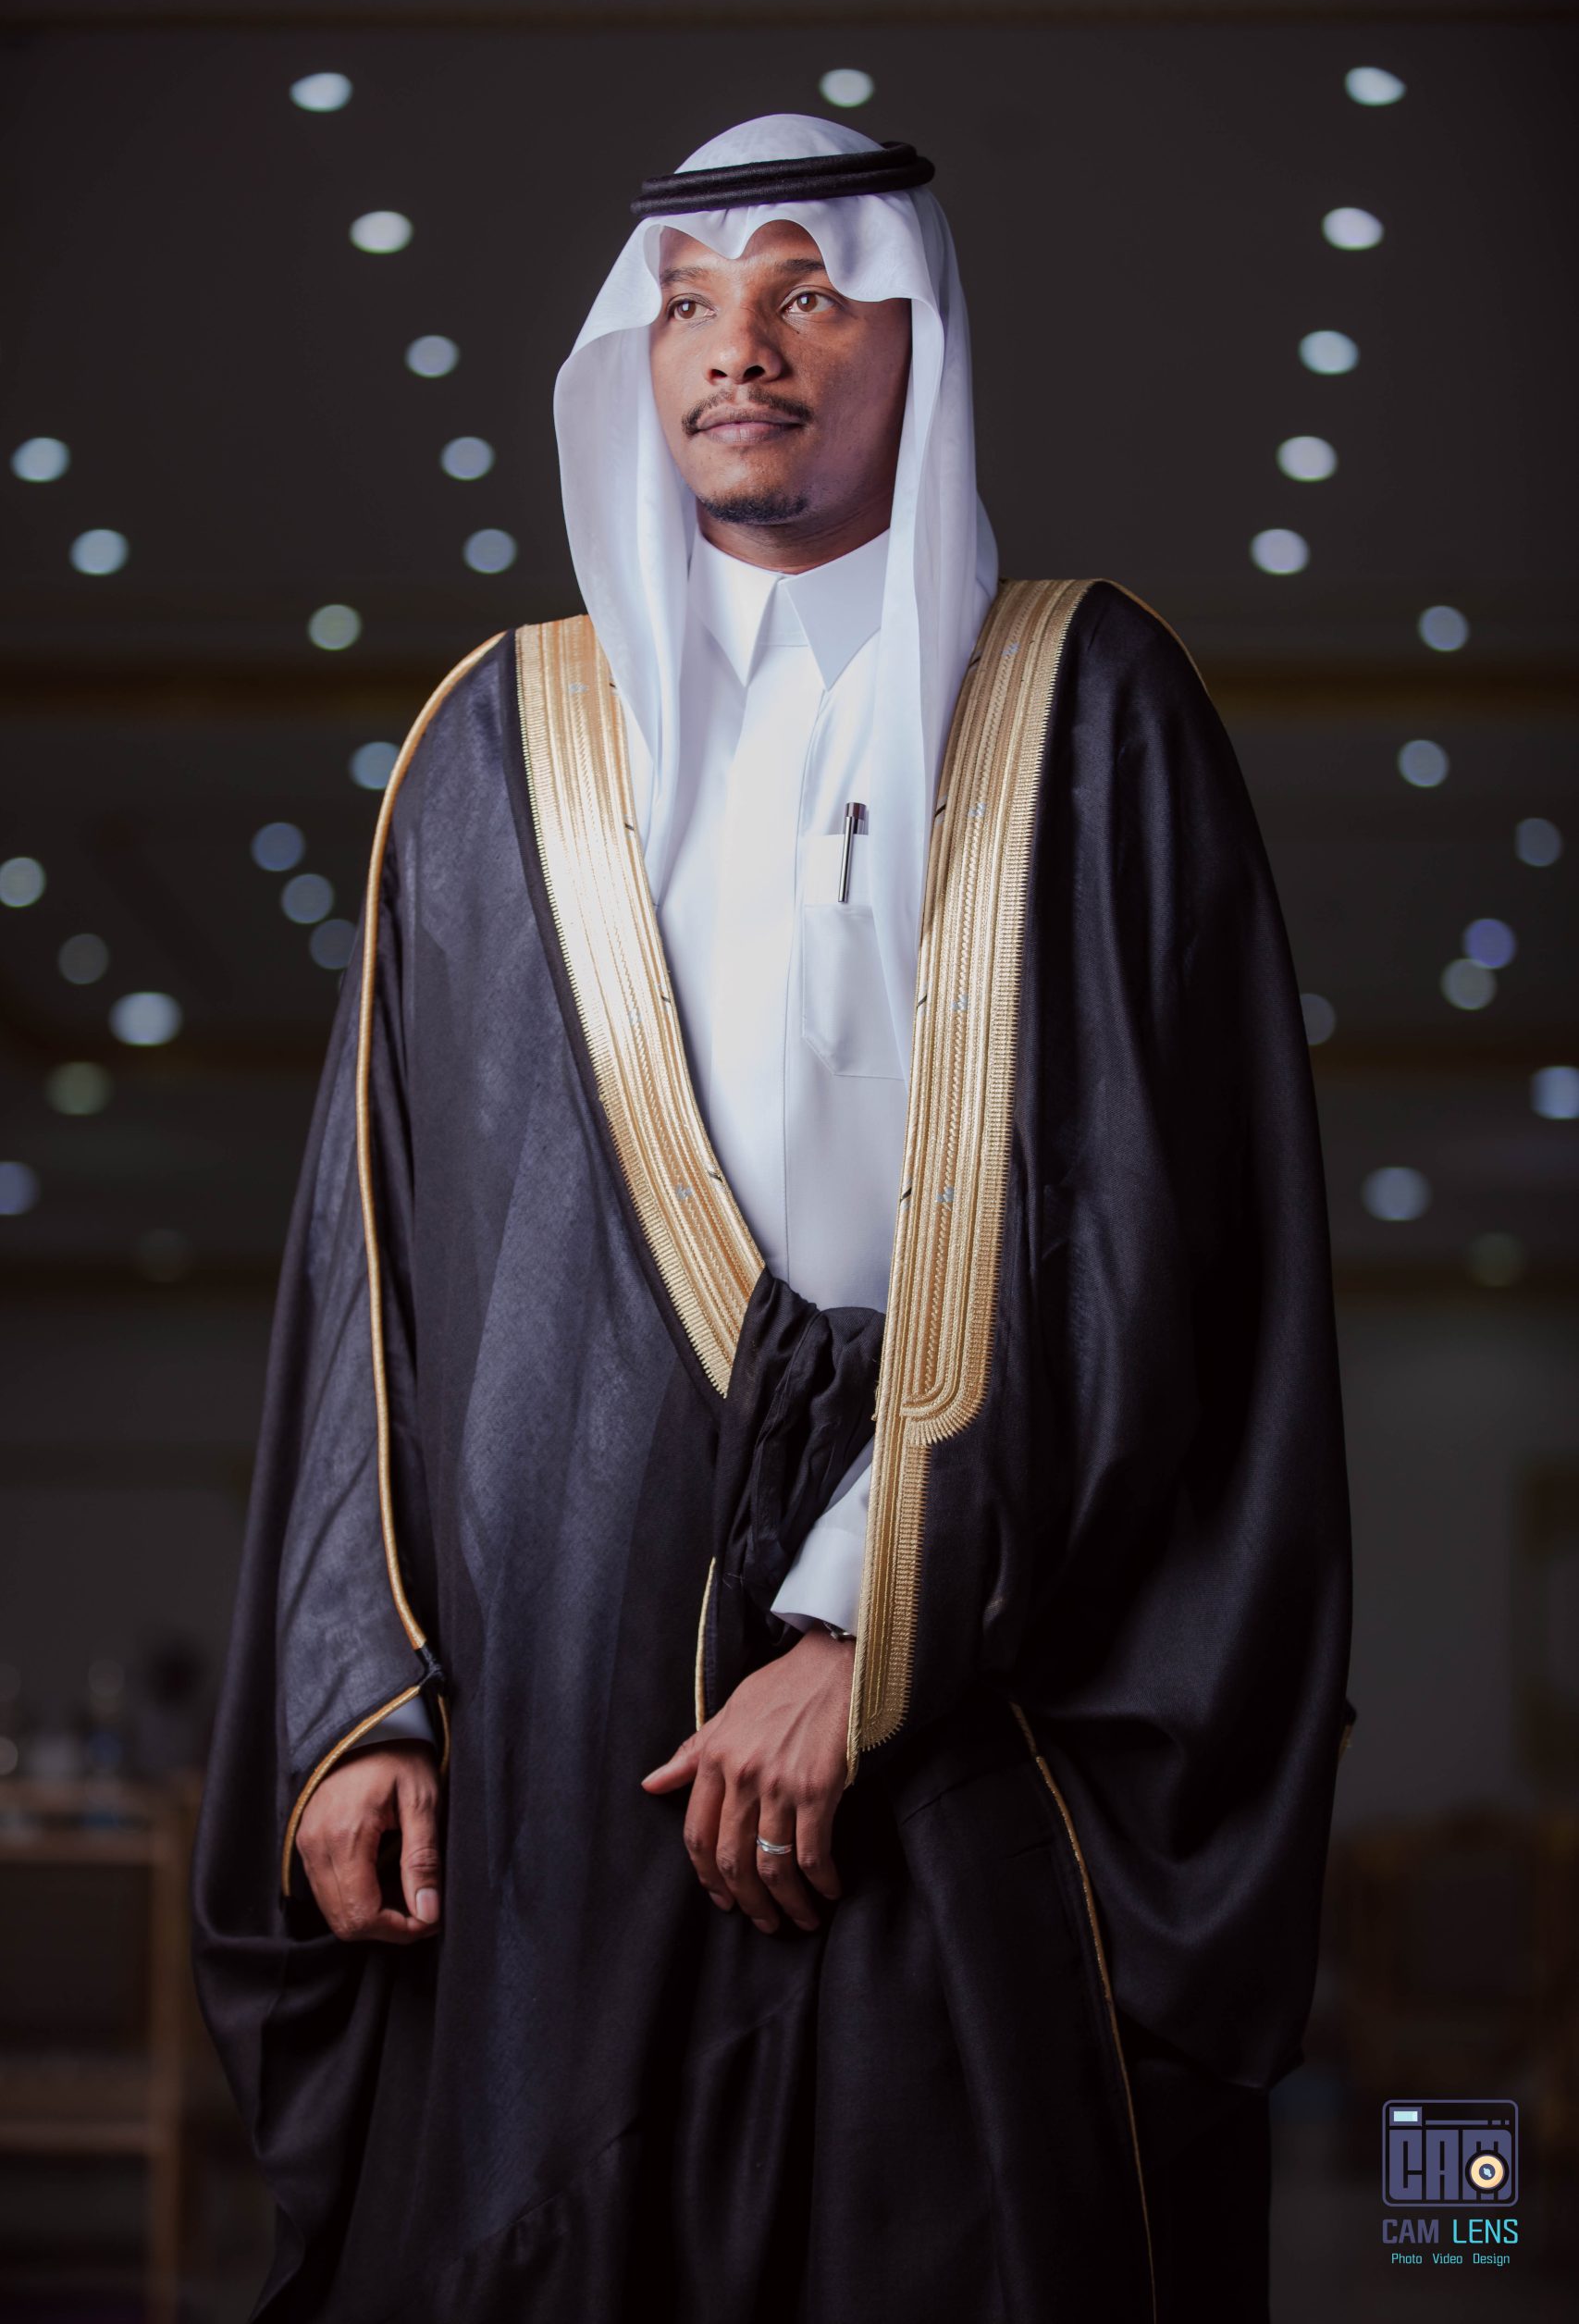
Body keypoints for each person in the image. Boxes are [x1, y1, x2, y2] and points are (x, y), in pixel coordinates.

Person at [191, 114, 1355, 2324]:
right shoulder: (490, 743)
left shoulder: (1084, 706)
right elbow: (377, 1266)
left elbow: (1146, 1252)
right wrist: (364, 1695)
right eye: (688, 303)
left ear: (920, 338)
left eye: (808, 291)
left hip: (962, 1699)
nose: (741, 346)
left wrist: (857, 1629)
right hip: (554, 1737)